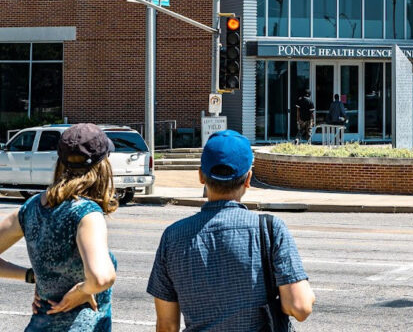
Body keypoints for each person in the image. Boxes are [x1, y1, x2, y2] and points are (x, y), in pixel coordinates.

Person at [147, 129, 315, 331]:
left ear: (201, 176)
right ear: (248, 179)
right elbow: (300, 307)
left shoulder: (172, 236)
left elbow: (166, 325)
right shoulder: (270, 230)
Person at [0, 123, 118, 331]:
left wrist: (34, 276)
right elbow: (102, 277)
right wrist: (81, 291)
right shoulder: (86, 212)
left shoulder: (31, 207)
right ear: (103, 165)